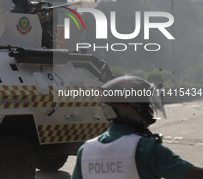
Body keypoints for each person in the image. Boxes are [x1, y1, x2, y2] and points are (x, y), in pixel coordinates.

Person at [71, 75, 203, 179]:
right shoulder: (145, 148)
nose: (150, 108)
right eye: (146, 103)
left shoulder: (85, 151)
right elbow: (194, 174)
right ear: (133, 107)